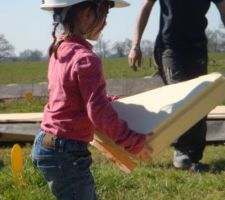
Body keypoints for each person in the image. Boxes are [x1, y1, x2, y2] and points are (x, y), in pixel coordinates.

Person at [31, 0, 153, 199]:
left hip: (46, 144)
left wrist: (111, 100)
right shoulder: (86, 58)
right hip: (66, 152)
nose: (105, 23)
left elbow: (73, 95)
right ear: (88, 14)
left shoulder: (59, 48)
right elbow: (98, 111)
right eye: (105, 15)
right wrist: (133, 142)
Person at [128, 0, 225, 172]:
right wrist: (135, 44)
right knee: (185, 97)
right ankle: (182, 155)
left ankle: (192, 156)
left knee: (200, 100)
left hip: (197, 48)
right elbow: (146, 7)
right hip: (169, 48)